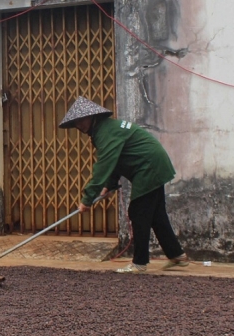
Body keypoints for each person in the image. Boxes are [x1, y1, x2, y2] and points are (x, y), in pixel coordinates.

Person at [59, 96, 189, 274]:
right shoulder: (105, 130)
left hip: (148, 166)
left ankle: (139, 263)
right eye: (76, 122)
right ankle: (177, 255)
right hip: (153, 165)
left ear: (92, 117)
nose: (79, 125)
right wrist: (109, 185)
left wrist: (87, 199)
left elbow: (104, 164)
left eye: (81, 120)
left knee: (138, 212)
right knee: (156, 214)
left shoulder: (106, 132)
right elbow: (117, 160)